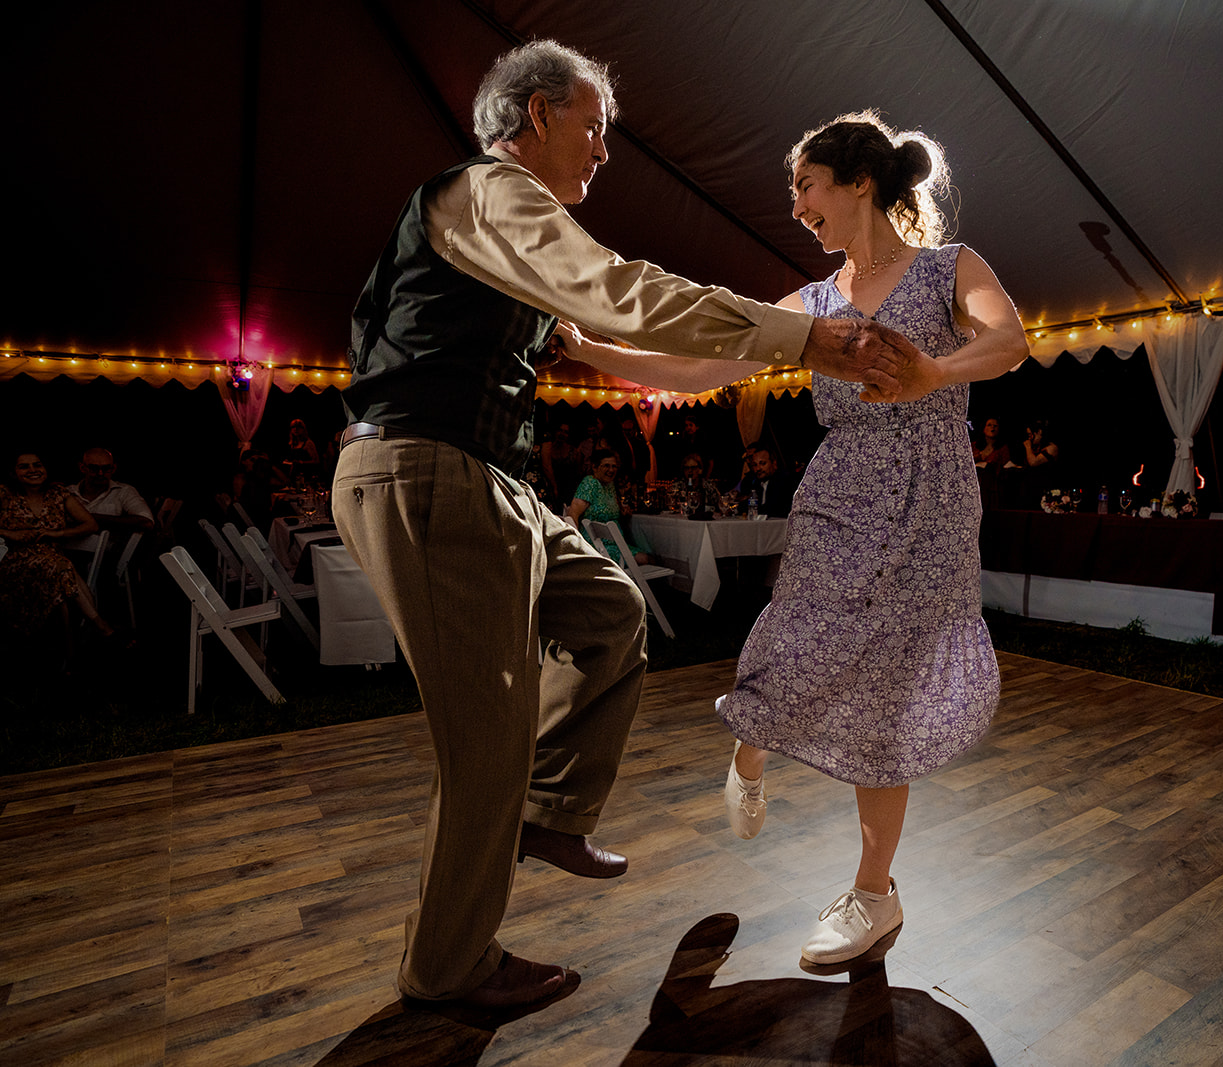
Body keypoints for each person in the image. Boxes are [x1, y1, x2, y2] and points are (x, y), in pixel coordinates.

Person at [332, 42, 929, 1013]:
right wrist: (806, 336)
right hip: (431, 470)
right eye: (594, 125)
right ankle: (447, 966)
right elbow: (624, 289)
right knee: (485, 740)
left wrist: (686, 353)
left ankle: (548, 806)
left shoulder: (503, 249)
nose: (605, 150)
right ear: (533, 118)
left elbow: (618, 331)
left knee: (612, 607)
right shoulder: (492, 193)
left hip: (485, 477)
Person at [560, 110, 1028, 967]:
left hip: (932, 503)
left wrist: (936, 370)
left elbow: (1009, 341)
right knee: (794, 638)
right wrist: (596, 350)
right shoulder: (808, 307)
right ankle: (752, 747)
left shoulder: (949, 269)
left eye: (806, 186)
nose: (797, 208)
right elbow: (703, 366)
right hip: (841, 494)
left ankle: (872, 895)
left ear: (858, 183)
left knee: (887, 696)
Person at [0, 451, 123, 641]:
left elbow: (90, 525)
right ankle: (100, 627)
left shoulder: (58, 493)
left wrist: (57, 533)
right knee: (62, 568)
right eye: (24, 466)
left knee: (60, 582)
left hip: (53, 562)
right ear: (13, 472)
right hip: (12, 564)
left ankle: (73, 652)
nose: (33, 470)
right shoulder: (0, 492)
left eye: (37, 465)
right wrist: (7, 533)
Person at [567, 448, 656, 563]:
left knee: (652, 556)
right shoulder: (590, 484)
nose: (611, 470)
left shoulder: (610, 485)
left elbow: (610, 507)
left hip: (616, 544)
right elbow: (572, 515)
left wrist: (622, 510)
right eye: (606, 466)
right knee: (648, 558)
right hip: (598, 548)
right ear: (595, 467)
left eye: (614, 466)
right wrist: (577, 546)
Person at [65, 447, 154, 550]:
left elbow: (146, 523)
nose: (100, 473)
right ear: (82, 468)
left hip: (104, 558)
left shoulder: (123, 491)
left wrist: (86, 518)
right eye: (94, 468)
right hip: (62, 553)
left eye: (106, 469)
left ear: (114, 468)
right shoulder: (66, 492)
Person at [743, 446, 795, 518]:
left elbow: (775, 509)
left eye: (763, 463)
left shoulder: (785, 482)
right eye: (755, 465)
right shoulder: (756, 484)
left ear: (774, 464)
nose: (758, 469)